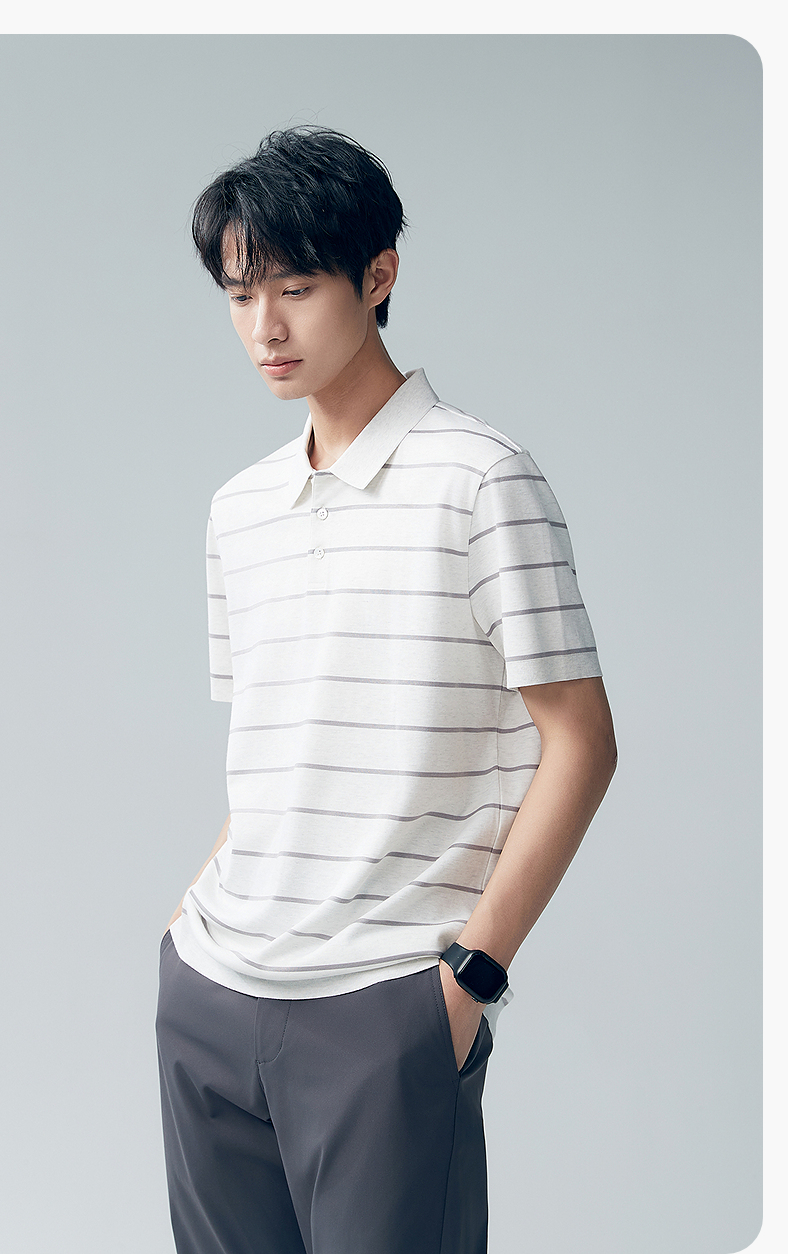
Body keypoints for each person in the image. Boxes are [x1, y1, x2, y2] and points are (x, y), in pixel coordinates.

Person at [155, 125, 617, 1254]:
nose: (264, 329)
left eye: (295, 289)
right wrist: (188, 925)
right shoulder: (238, 509)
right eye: (239, 295)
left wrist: (470, 978)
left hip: (384, 1005)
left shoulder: (482, 478)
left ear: (377, 276)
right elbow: (276, 750)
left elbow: (581, 743)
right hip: (213, 992)